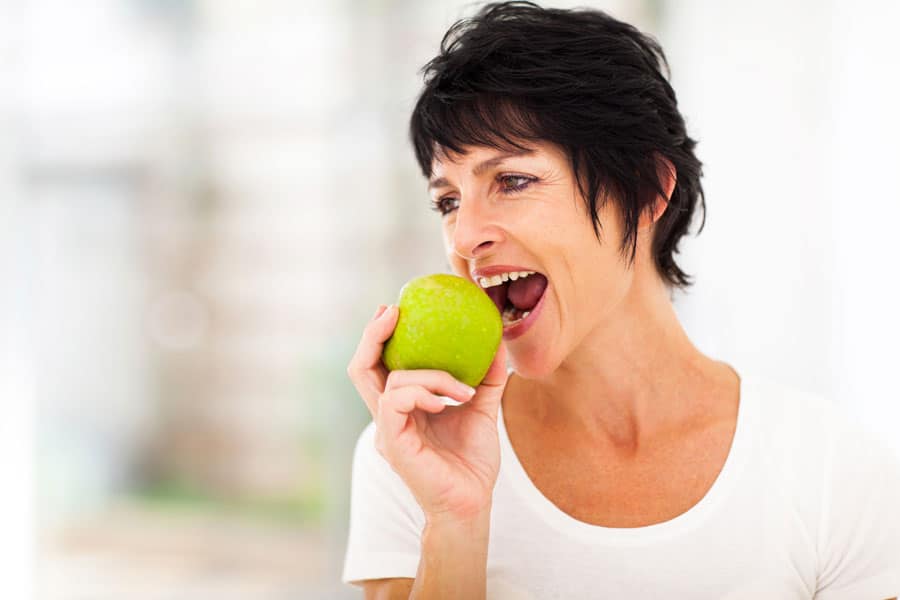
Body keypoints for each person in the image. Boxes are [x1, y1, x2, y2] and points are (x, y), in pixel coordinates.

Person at [342, 2, 900, 598]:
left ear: (646, 190)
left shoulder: (832, 474)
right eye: (448, 201)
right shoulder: (412, 458)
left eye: (512, 181)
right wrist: (454, 522)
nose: (463, 237)